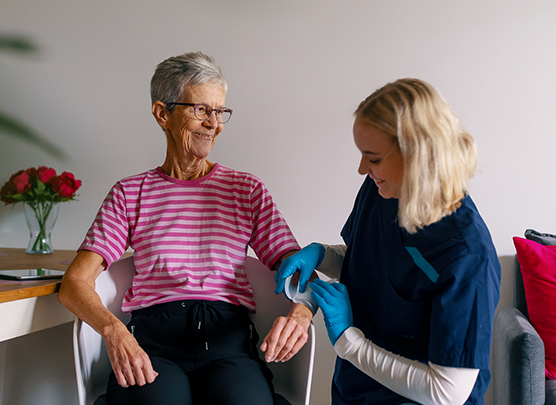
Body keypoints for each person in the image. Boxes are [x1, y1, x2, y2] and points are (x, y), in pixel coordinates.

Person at [58, 52, 313, 405]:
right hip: (154, 345)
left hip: (229, 344)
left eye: (220, 111)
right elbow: (74, 283)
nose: (214, 123)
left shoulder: (246, 190)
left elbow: (302, 269)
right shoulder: (130, 193)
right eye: (201, 110)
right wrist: (113, 329)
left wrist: (302, 311)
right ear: (163, 114)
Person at [275, 78, 501, 405]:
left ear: (417, 157)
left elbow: (447, 392)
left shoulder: (466, 257)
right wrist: (324, 255)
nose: (362, 168)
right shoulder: (382, 189)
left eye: (374, 158)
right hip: (353, 390)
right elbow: (373, 263)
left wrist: (350, 343)